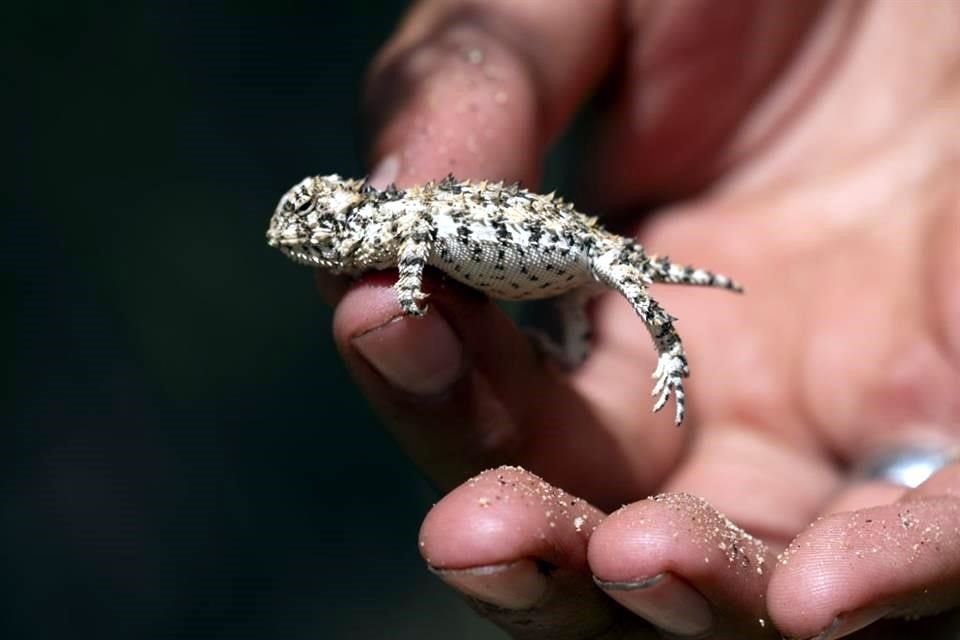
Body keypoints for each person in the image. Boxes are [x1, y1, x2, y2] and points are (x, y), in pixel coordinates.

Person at [325, 1, 960, 638]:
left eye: (320, 233)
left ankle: (670, 358)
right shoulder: (407, 219)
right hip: (546, 262)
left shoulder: (407, 223)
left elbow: (418, 248)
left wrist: (411, 289)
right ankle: (576, 342)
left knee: (622, 282)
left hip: (566, 247)